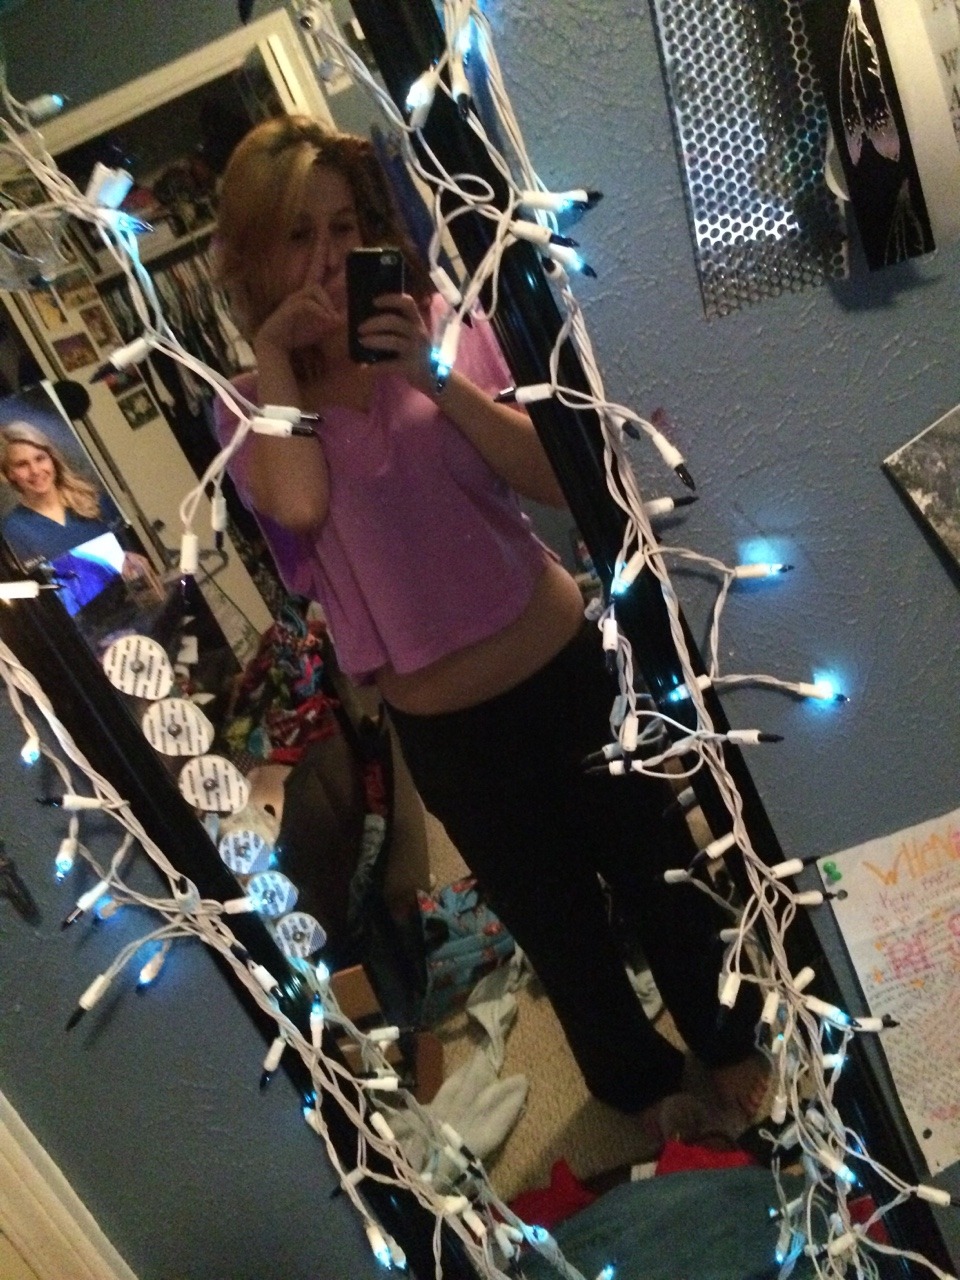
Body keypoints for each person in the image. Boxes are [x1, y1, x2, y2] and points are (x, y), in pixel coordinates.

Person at [212, 114, 767, 1123]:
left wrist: (430, 375)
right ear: (254, 254)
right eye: (297, 234)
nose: (328, 257)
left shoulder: (446, 323)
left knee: (662, 877)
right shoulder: (250, 406)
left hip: (562, 663)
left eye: (343, 227)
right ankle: (642, 1087)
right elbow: (298, 503)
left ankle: (730, 1043)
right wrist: (277, 357)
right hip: (448, 731)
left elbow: (554, 477)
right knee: (559, 929)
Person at [0, 421, 160, 595]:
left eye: (40, 458)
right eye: (22, 464)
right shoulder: (11, 532)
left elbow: (136, 553)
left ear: (52, 459)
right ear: (9, 474)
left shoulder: (95, 500)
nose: (35, 470)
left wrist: (134, 561)